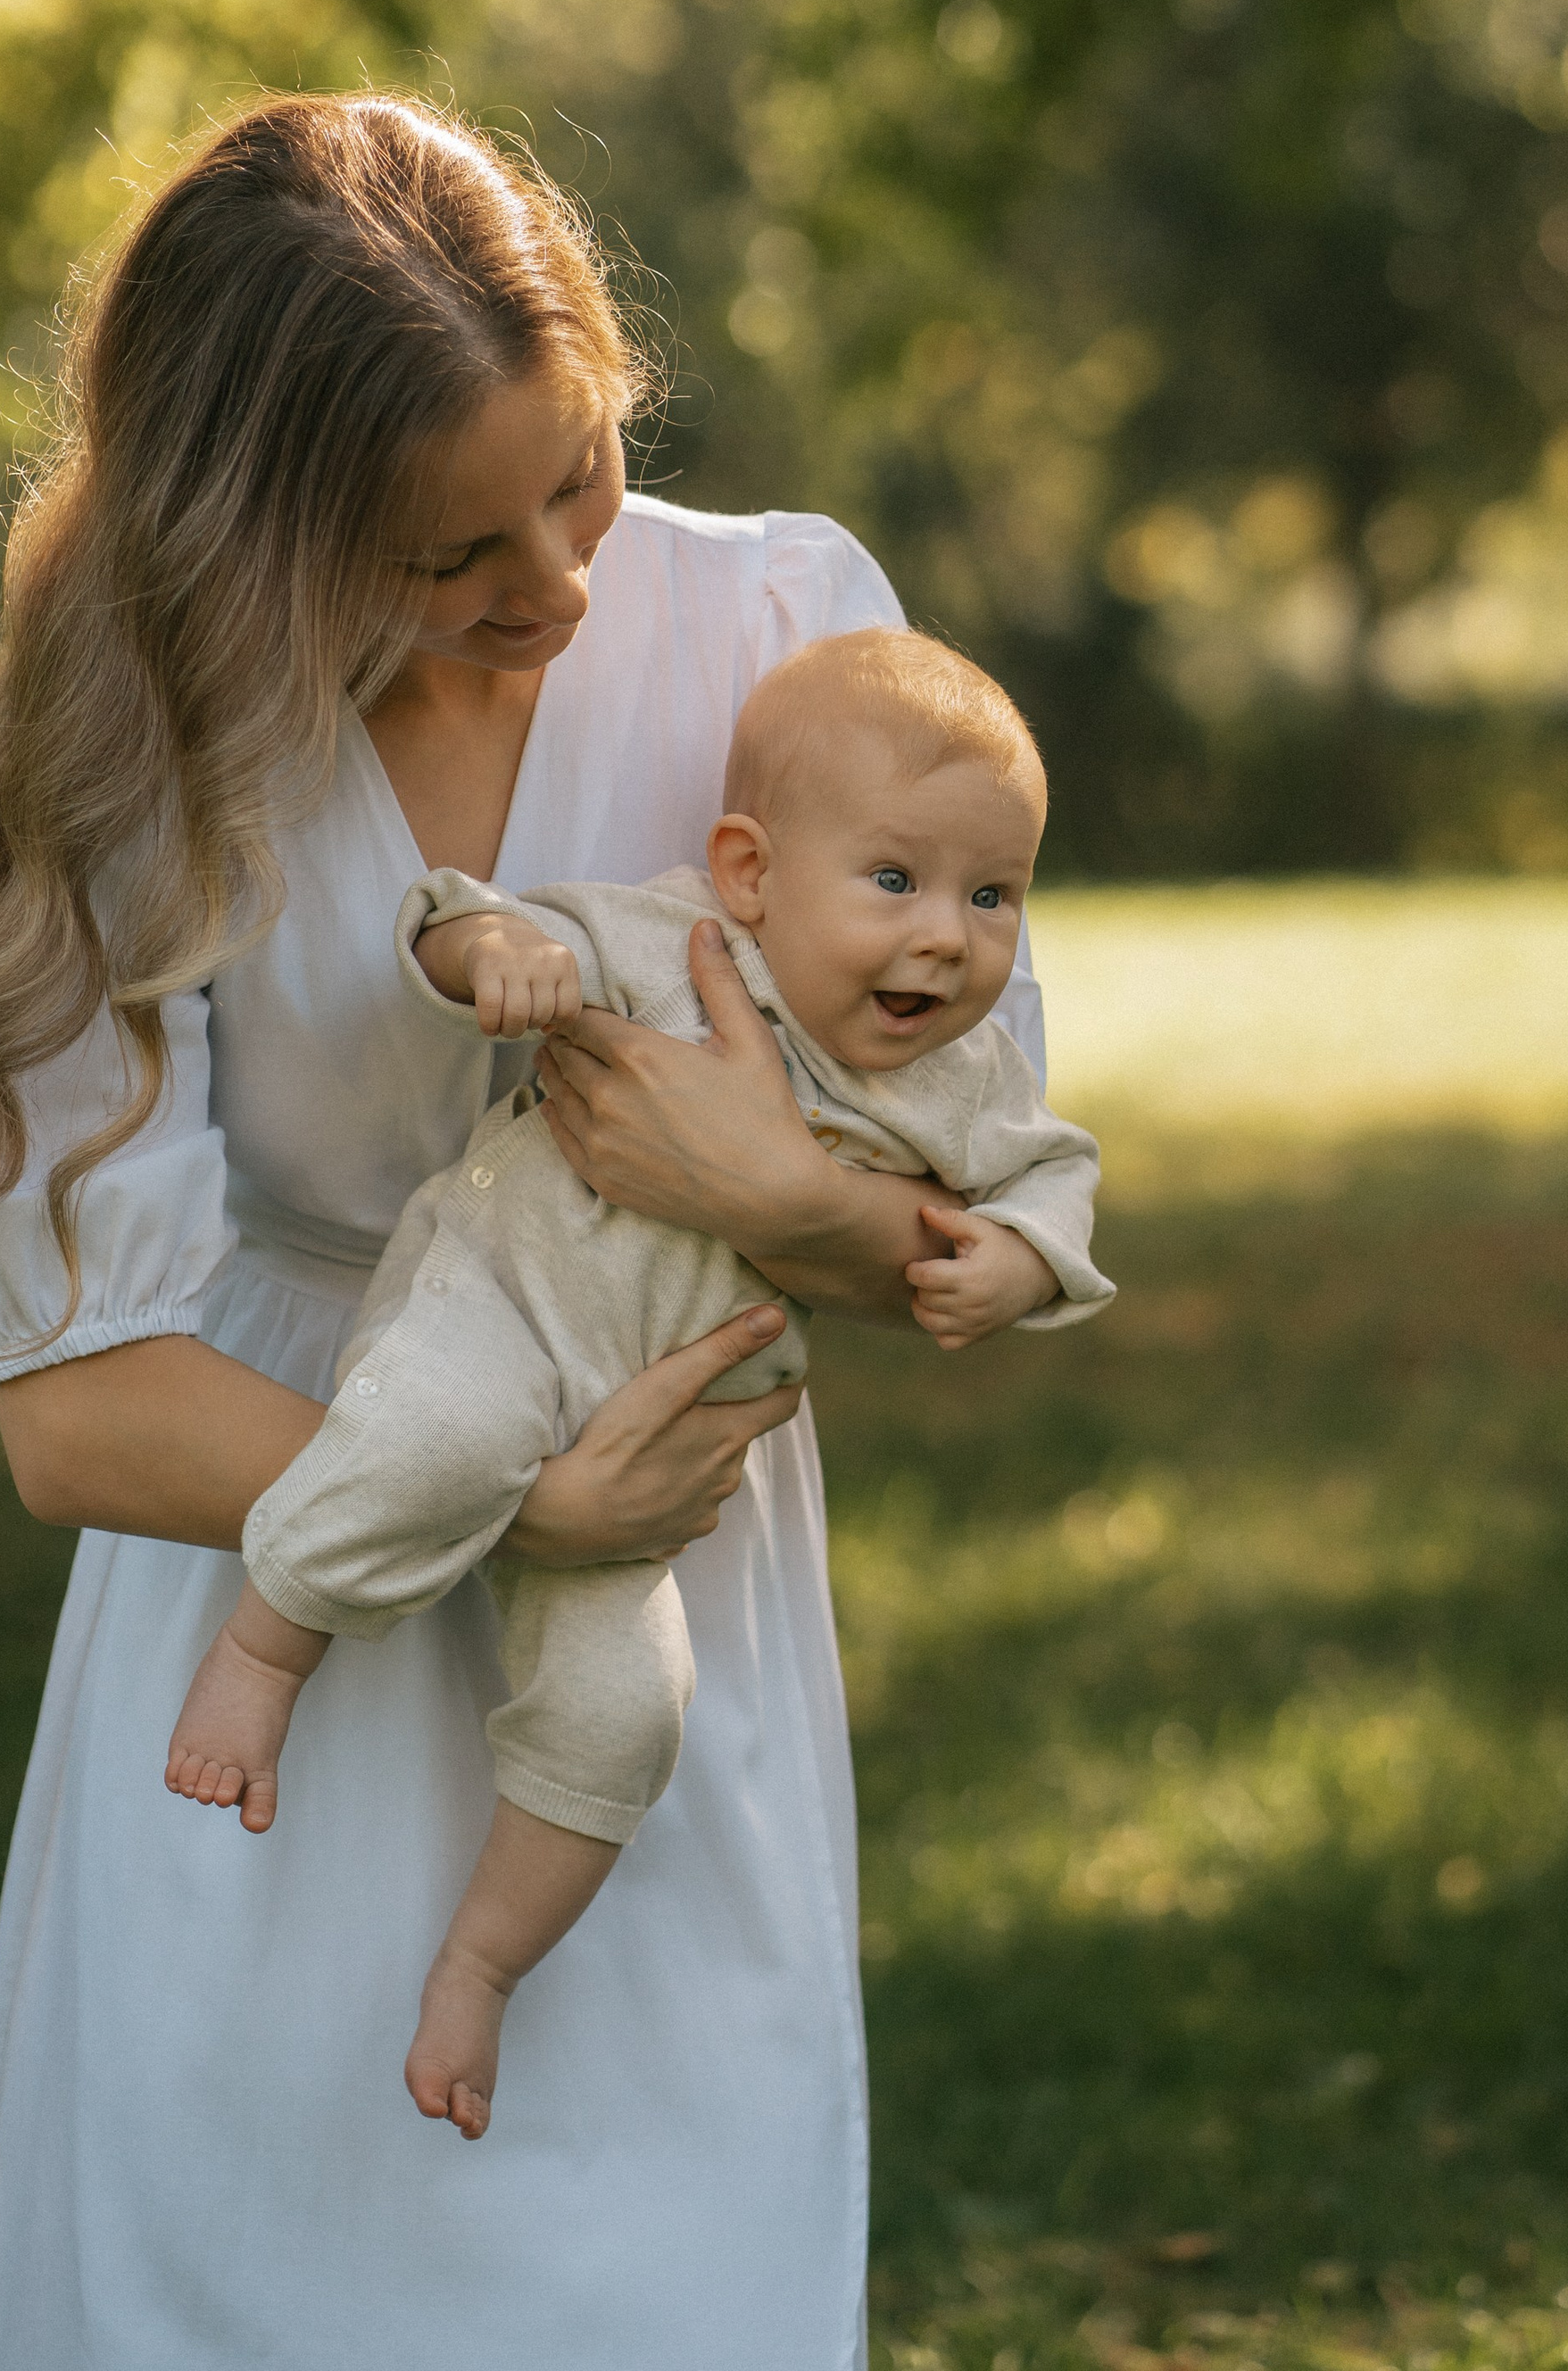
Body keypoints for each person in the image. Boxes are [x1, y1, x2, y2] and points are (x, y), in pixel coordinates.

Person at [0, 93, 1040, 2371]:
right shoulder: (127, 750)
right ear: (253, 533)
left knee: (671, 2280)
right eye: (445, 551)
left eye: (573, 473)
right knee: (255, 2280)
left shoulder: (787, 627)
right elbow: (78, 1411)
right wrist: (502, 1499)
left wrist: (757, 1195)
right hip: (266, 1595)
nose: (557, 590)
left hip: (669, 1609)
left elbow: (959, 1175)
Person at [165, 627, 1111, 2139]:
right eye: (897, 883)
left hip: (656, 1464)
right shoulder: (673, 947)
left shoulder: (962, 1078)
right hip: (503, 1309)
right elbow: (446, 919)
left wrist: (1016, 1259)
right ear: (747, 870)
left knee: (631, 1705)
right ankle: (271, 1651)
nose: (949, 938)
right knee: (438, 1433)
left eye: (993, 896)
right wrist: (496, 957)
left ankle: (482, 1963)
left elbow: (1054, 1182)